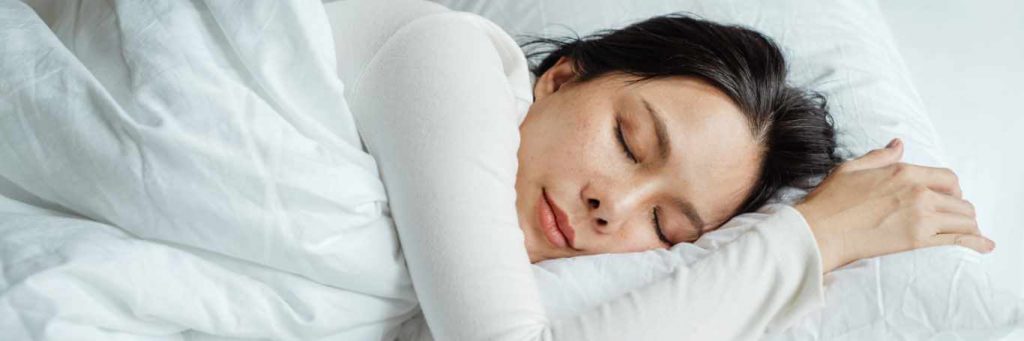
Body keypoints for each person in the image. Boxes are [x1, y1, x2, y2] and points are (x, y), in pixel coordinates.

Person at [327, 0, 995, 339]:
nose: (611, 206)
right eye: (627, 139)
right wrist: (814, 239)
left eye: (666, 225)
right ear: (560, 77)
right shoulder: (448, 58)